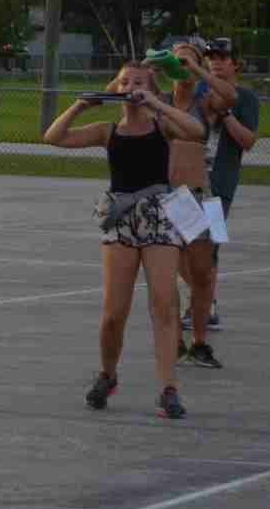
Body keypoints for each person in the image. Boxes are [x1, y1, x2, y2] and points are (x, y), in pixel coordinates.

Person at [44, 61, 205, 419]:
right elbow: (53, 137)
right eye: (125, 82)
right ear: (116, 88)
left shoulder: (162, 124)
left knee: (164, 305)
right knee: (114, 312)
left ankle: (168, 389)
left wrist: (158, 104)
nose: (131, 87)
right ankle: (107, 374)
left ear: (152, 89)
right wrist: (79, 106)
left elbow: (196, 131)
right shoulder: (108, 130)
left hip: (159, 216)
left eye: (139, 82)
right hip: (121, 219)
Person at [162, 41, 237, 370]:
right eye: (177, 60)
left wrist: (196, 69)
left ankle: (200, 343)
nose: (182, 65)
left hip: (207, 194)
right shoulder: (158, 101)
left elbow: (230, 97)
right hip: (171, 195)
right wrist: (154, 65)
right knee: (172, 270)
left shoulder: (205, 102)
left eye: (188, 59)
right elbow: (115, 91)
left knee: (206, 272)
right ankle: (176, 340)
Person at [197, 39, 258, 332]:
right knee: (184, 244)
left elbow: (248, 141)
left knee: (210, 246)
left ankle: (207, 307)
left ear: (236, 63)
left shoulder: (246, 98)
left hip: (219, 185)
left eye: (222, 57)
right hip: (187, 180)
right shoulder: (197, 92)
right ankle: (191, 303)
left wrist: (225, 114)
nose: (216, 62)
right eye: (211, 57)